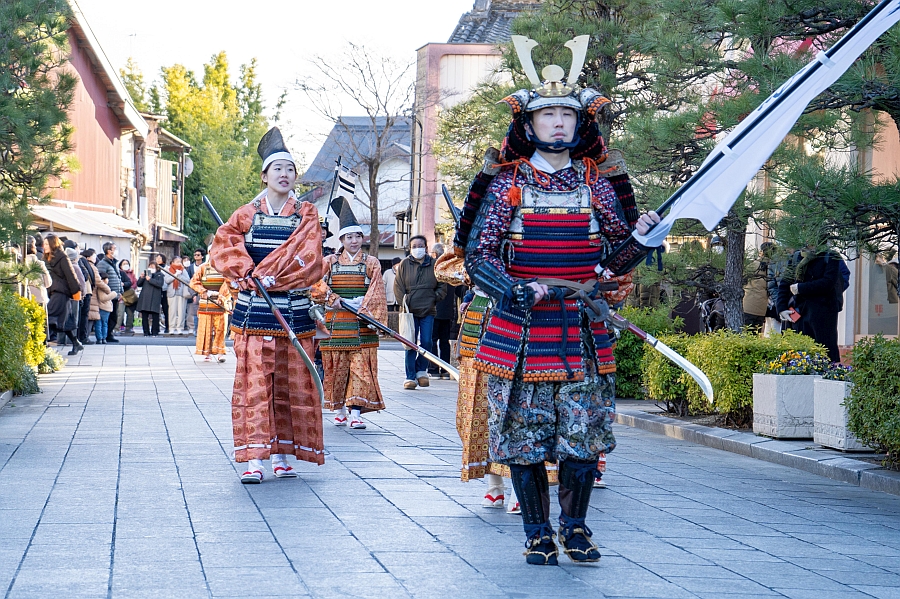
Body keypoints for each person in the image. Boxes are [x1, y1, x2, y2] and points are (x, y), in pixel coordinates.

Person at [464, 46, 659, 566]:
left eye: (567, 114)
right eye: (547, 114)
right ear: (529, 123)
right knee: (524, 440)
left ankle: (575, 528)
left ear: (579, 123)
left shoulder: (597, 184)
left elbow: (615, 256)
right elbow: (477, 256)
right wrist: (514, 290)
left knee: (582, 437)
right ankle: (535, 532)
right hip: (519, 331)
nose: (557, 122)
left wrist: (642, 237)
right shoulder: (508, 183)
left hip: (582, 328)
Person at [210, 126, 325, 483]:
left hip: (293, 311)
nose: (285, 175)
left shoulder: (305, 214)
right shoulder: (245, 214)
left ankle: (282, 454)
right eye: (278, 169)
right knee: (254, 387)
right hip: (254, 312)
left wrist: (276, 276)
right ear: (264, 175)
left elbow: (311, 258)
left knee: (290, 386)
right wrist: (249, 272)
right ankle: (253, 460)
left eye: (290, 169)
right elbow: (224, 248)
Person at [314, 197, 387, 430]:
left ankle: (356, 412)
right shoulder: (330, 261)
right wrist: (334, 299)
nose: (353, 241)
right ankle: (341, 409)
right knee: (336, 369)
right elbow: (314, 284)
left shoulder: (372, 262)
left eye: (357, 236)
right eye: (348, 237)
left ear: (362, 238)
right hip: (335, 324)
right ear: (342, 239)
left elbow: (377, 289)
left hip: (362, 323)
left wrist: (363, 307)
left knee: (360, 370)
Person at [394, 235, 446, 390]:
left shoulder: (434, 265)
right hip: (409, 310)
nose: (418, 248)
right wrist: (404, 302)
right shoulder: (404, 264)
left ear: (426, 247)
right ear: (410, 248)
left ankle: (421, 370)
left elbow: (442, 285)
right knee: (409, 343)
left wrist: (434, 298)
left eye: (420, 245)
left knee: (427, 341)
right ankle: (410, 376)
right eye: (414, 246)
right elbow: (398, 286)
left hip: (428, 309)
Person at [778, 247, 845, 363]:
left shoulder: (830, 256)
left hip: (823, 313)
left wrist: (801, 288)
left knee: (824, 354)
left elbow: (828, 282)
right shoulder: (797, 256)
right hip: (800, 313)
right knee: (797, 354)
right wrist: (781, 308)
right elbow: (785, 283)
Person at [189, 251, 232, 362]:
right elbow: (194, 282)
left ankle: (220, 352)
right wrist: (204, 291)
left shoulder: (226, 268)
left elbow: (229, 282)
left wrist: (221, 295)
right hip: (206, 301)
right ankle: (206, 352)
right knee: (206, 329)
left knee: (220, 329)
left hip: (220, 301)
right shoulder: (203, 267)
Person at [43, 234, 83, 355]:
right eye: (43, 244)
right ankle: (76, 343)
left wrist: (76, 292)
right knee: (63, 321)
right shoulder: (46, 258)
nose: (44, 246)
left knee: (47, 317)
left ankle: (43, 347)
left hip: (61, 292)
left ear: (52, 244)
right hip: (53, 291)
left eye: (46, 244)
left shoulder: (62, 257)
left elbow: (71, 275)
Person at [96, 242, 122, 343]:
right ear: (108, 251)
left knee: (114, 316)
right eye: (114, 249)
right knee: (109, 317)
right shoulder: (103, 263)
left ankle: (109, 334)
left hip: (115, 294)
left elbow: (118, 278)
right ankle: (106, 335)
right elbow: (101, 278)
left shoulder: (114, 263)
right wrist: (107, 291)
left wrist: (121, 292)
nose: (116, 251)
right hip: (108, 294)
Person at [742, 247, 769, 334]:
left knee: (744, 334)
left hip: (748, 305)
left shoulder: (752, 265)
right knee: (756, 334)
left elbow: (742, 281)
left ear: (761, 252)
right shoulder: (773, 267)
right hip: (762, 308)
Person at [136, 262, 165, 337]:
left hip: (155, 297)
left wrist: (150, 280)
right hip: (145, 298)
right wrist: (141, 277)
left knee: (155, 315)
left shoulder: (160, 275)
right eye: (150, 266)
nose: (151, 268)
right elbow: (138, 284)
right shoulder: (146, 275)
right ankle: (146, 332)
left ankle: (155, 331)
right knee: (144, 316)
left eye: (153, 267)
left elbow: (159, 284)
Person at [165, 258, 192, 335]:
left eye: (180, 262)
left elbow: (188, 280)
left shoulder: (183, 270)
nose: (179, 263)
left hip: (181, 292)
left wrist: (180, 275)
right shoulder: (168, 269)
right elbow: (167, 280)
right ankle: (172, 328)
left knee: (181, 311)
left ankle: (180, 328)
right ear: (172, 262)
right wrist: (175, 275)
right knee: (172, 311)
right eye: (177, 262)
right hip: (172, 293)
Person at [76, 249, 97, 345]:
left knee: (82, 314)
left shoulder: (80, 260)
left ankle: (81, 336)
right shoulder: (81, 259)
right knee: (83, 314)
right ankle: (83, 337)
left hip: (85, 290)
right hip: (85, 290)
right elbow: (86, 275)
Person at [89, 273, 116, 344]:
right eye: (107, 278)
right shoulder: (102, 288)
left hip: (104, 307)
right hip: (104, 307)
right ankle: (102, 338)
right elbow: (103, 298)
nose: (108, 280)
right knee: (102, 323)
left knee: (100, 323)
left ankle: (100, 338)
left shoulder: (101, 287)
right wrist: (113, 294)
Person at [24, 236, 51, 307]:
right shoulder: (40, 264)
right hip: (40, 299)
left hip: (25, 299)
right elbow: (48, 283)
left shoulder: (20, 264)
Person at [186, 248, 206, 334]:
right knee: (195, 311)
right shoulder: (190, 268)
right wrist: (193, 294)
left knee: (205, 311)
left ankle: (204, 329)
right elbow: (189, 281)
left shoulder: (206, 266)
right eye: (195, 255)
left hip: (205, 290)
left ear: (202, 256)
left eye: (198, 255)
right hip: (195, 291)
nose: (196, 256)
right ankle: (196, 329)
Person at [118, 259, 138, 335]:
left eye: (127, 263)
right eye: (124, 264)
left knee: (130, 312)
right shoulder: (119, 273)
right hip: (121, 294)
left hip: (130, 295)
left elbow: (135, 283)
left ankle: (129, 327)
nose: (126, 265)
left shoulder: (131, 274)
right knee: (120, 312)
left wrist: (131, 289)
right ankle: (120, 326)